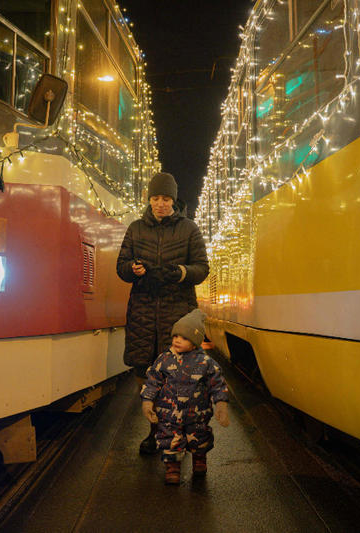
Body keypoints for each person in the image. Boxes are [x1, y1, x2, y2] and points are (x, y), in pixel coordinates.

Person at [116, 172, 209, 454]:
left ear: (173, 200)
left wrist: (181, 273)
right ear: (149, 199)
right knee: (146, 376)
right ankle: (155, 431)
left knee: (177, 378)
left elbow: (202, 268)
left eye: (166, 198)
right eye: (155, 198)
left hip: (177, 314)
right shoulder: (135, 229)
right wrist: (132, 269)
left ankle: (175, 433)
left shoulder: (189, 229)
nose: (160, 204)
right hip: (143, 313)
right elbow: (121, 266)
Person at [140, 309, 229, 484]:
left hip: (197, 414)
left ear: (195, 342)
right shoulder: (164, 359)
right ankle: (172, 468)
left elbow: (218, 384)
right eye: (175, 336)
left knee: (200, 438)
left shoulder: (205, 363)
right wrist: (147, 402)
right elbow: (152, 381)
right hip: (168, 414)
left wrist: (221, 405)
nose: (177, 340)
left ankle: (199, 460)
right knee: (169, 439)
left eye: (184, 337)